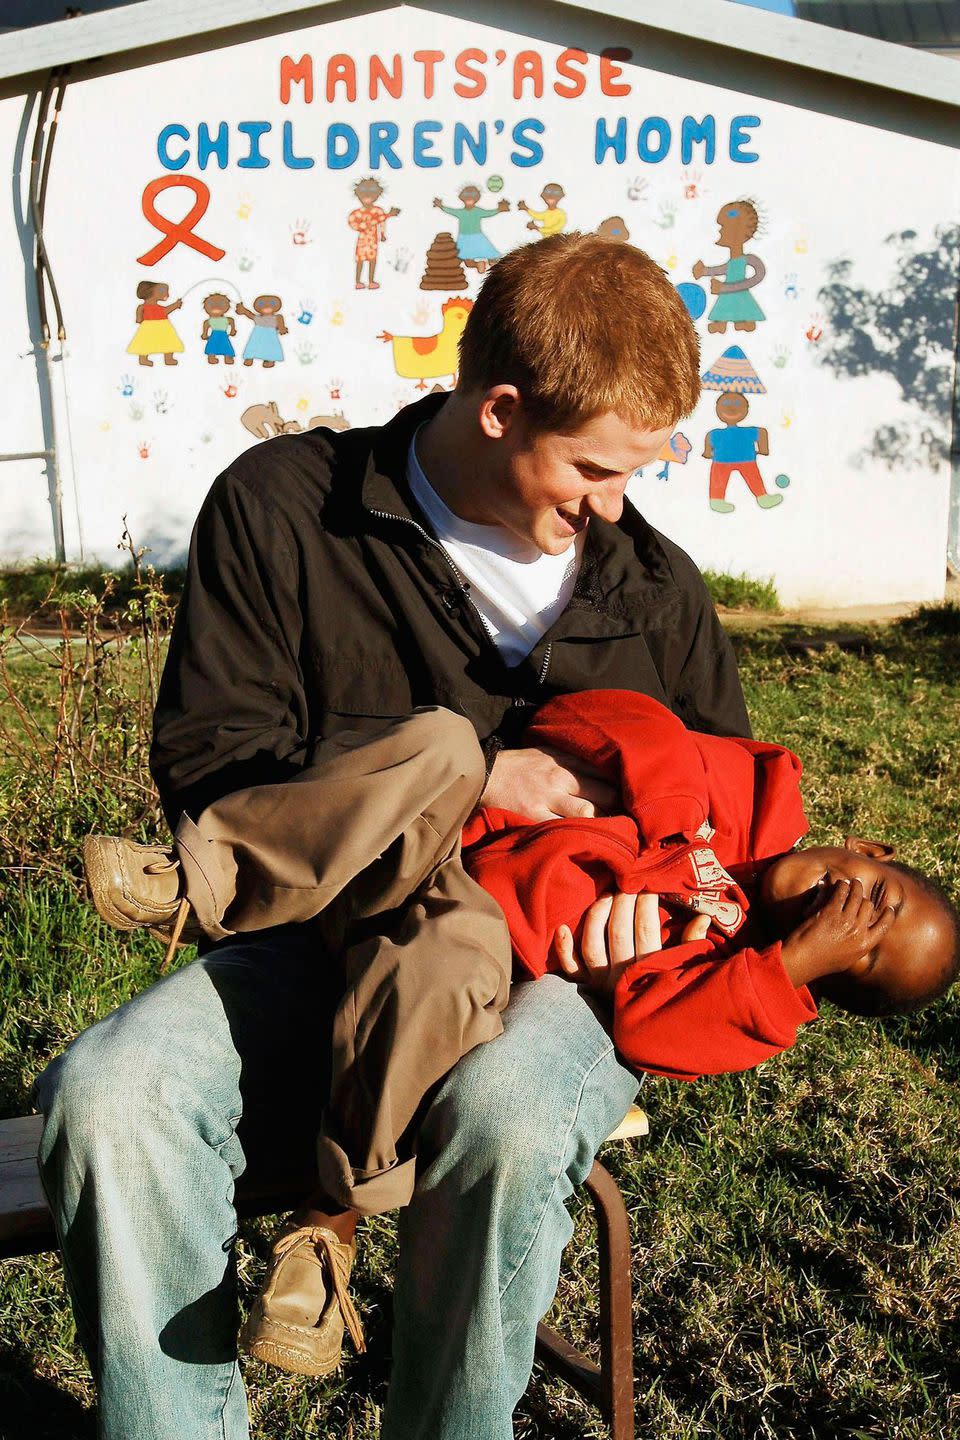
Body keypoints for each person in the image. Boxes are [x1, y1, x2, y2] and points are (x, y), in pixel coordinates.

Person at [35, 232, 750, 1440]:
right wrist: (462, 786)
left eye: (638, 472)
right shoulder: (286, 510)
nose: (611, 507)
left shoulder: (654, 590)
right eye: (587, 468)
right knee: (109, 1096)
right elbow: (216, 766)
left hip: (550, 972)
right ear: (499, 408)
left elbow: (721, 829)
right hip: (317, 940)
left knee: (509, 1121)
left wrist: (659, 910)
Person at [461, 689, 960, 1075]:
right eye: (876, 896)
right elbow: (607, 716)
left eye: (857, 949)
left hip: (478, 951)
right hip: (455, 824)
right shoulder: (756, 795)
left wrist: (787, 968)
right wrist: (671, 821)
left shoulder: (726, 976)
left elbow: (650, 1034)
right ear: (868, 850)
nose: (844, 914)